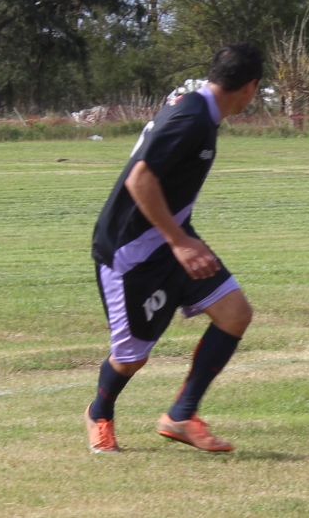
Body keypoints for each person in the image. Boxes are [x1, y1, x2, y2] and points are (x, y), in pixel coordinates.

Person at [86, 43, 263, 453]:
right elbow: (140, 180)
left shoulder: (199, 110)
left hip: (170, 239)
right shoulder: (191, 117)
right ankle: (99, 412)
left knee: (234, 313)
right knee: (130, 358)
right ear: (250, 87)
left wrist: (180, 238)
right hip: (130, 252)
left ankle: (181, 415)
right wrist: (180, 241)